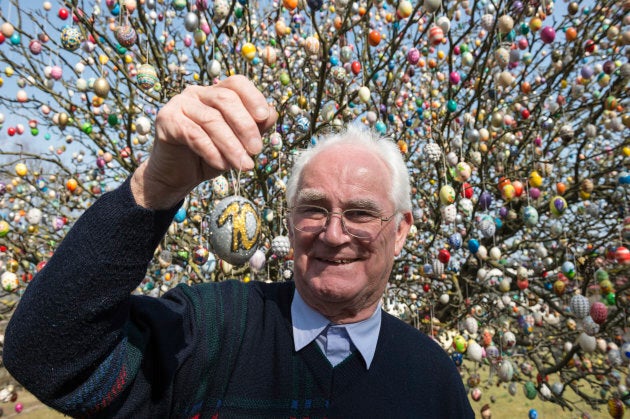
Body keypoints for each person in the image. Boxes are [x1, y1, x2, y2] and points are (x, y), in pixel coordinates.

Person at [3, 75, 474, 418]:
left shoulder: (433, 381)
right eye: (313, 209)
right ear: (289, 223)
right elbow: (50, 356)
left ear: (402, 229)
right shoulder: (209, 330)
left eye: (360, 214)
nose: (333, 235)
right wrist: (155, 187)